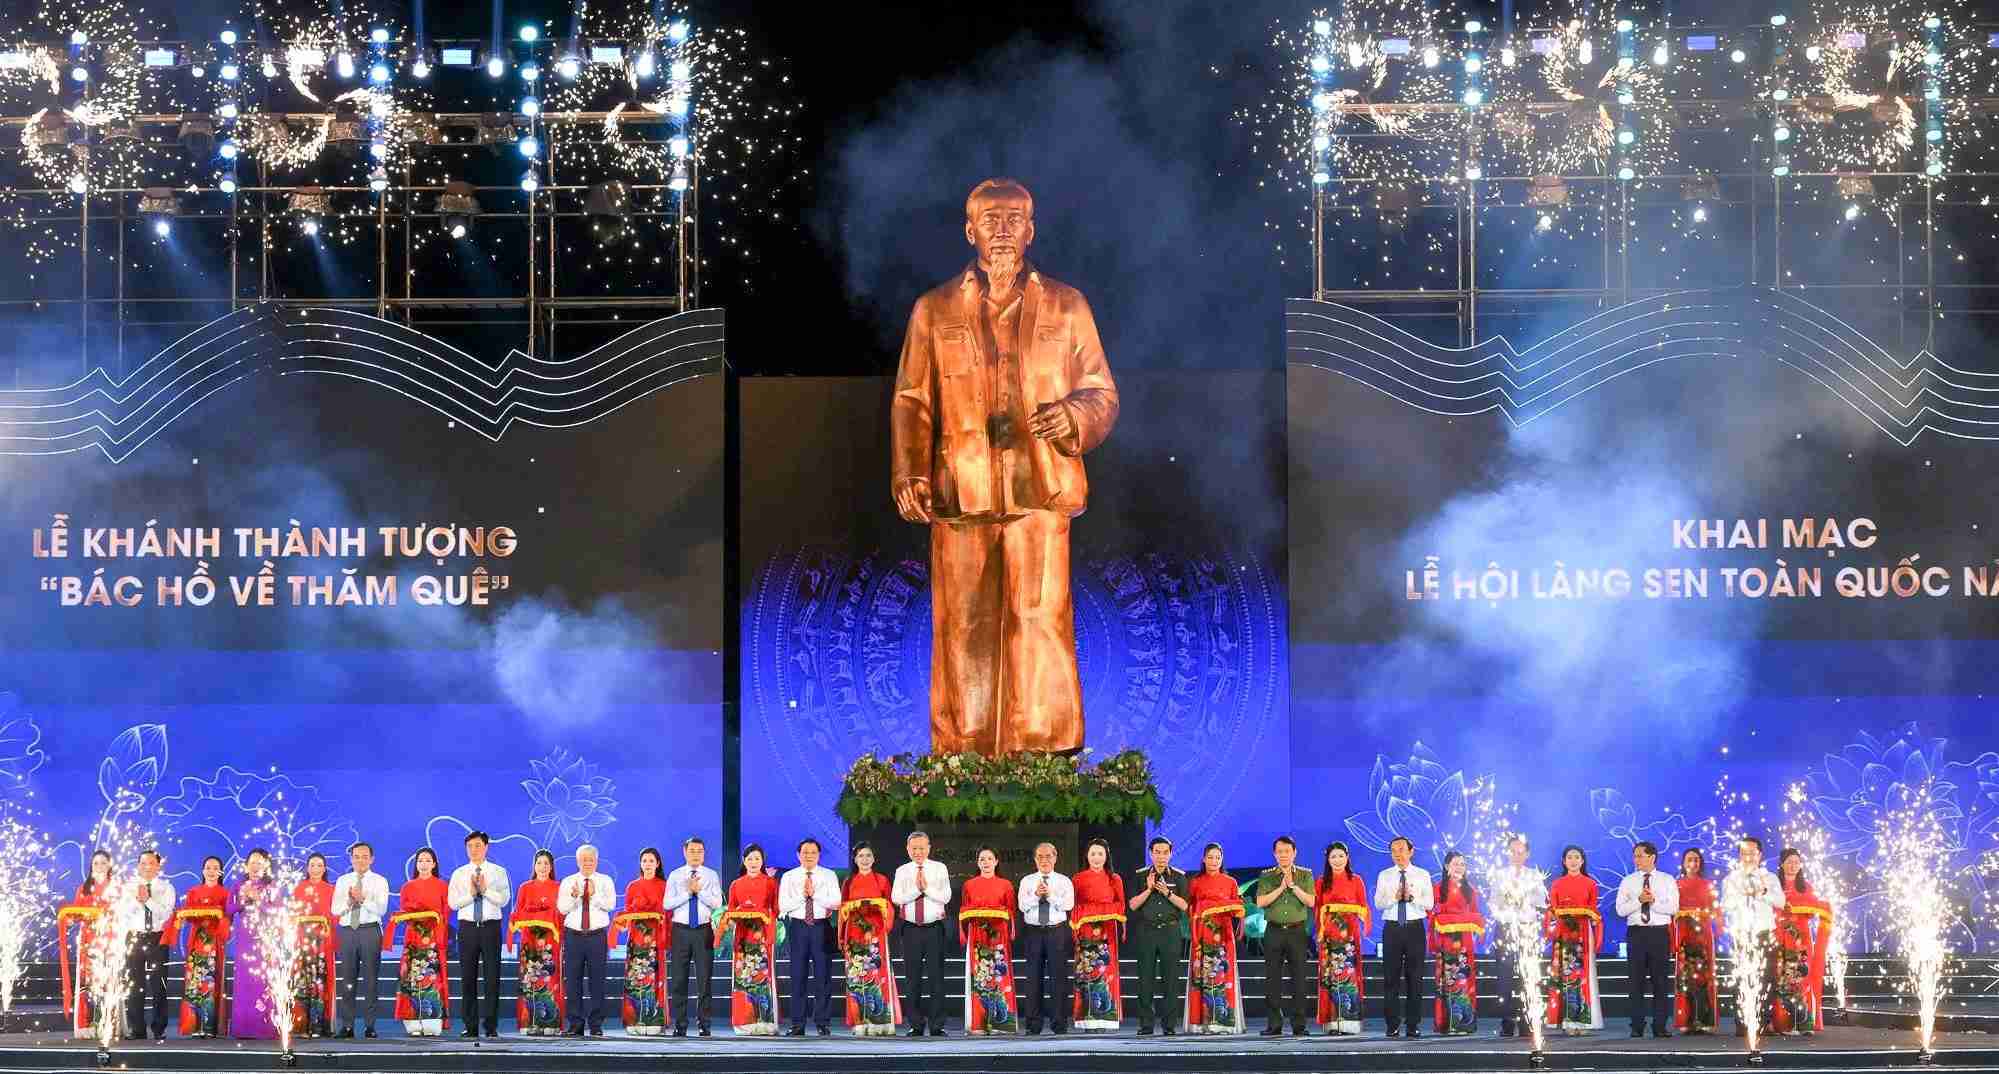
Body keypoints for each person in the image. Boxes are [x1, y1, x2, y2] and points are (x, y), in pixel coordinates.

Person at [890, 177, 1121, 757]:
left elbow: (1101, 393)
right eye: (990, 220)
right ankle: (962, 754)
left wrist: (1072, 417)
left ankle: (1044, 752)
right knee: (962, 626)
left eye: (1013, 219)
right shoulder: (934, 309)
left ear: (1030, 230)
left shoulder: (1068, 306)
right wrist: (909, 471)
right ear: (970, 231)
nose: (1001, 231)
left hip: (1039, 490)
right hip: (961, 493)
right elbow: (912, 399)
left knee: (1040, 619)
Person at [1719, 836, 1785, 1039]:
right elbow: (1725, 905)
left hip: (1764, 935)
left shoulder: (1770, 878)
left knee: (1767, 979)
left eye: (1752, 852)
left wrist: (1762, 892)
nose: (1748, 856)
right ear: (1739, 855)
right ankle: (1742, 1024)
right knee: (1741, 979)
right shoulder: (1731, 878)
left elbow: (1781, 902)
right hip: (1742, 935)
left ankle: (1763, 1023)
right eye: (1744, 852)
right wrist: (1742, 894)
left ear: (1760, 855)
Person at [446, 831, 510, 1039]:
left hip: (491, 927)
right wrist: (472, 895)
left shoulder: (499, 871)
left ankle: (491, 1026)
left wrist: (485, 890)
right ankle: (470, 1026)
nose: (473, 850)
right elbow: (453, 903)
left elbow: (504, 899)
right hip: (468, 928)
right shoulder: (459, 873)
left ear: (486, 847)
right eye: (470, 846)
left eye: (477, 846)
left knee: (492, 978)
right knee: (468, 979)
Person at [1616, 840, 1680, 1039]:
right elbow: (1620, 910)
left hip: (1659, 933)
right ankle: (1637, 1025)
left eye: (1640, 855)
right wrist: (1638, 901)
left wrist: (1653, 902)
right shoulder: (1628, 881)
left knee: (1660, 982)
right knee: (1635, 982)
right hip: (1636, 934)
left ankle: (1659, 1025)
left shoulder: (1667, 879)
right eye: (1635, 855)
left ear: (1652, 857)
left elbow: (1673, 908)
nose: (1636, 859)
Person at [384, 847, 451, 1037]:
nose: (424, 864)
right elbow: (405, 911)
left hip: (433, 938)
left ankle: (432, 1019)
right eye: (420, 860)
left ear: (434, 864)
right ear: (416, 864)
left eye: (428, 860)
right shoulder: (407, 887)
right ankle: (412, 1020)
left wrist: (437, 932)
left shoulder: (442, 886)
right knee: (412, 977)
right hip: (413, 937)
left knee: (432, 977)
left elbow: (445, 914)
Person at [890, 830, 951, 1036]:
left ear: (929, 848)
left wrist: (927, 890)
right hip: (910, 930)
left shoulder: (939, 868)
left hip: (934, 928)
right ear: (908, 849)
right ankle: (915, 1024)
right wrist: (918, 891)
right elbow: (897, 898)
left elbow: (946, 896)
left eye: (922, 848)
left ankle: (937, 1025)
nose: (918, 852)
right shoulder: (902, 870)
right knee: (912, 978)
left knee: (936, 978)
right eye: (914, 848)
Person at [779, 837, 841, 1037]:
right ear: (798, 855)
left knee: (823, 976)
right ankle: (797, 1024)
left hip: (821, 927)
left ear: (819, 855)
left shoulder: (829, 875)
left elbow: (836, 902)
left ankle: (822, 1022)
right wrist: (803, 896)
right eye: (805, 852)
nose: (809, 856)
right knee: (798, 977)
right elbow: (784, 906)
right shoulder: (789, 876)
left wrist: (815, 895)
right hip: (798, 927)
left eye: (813, 852)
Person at [1127, 836, 1188, 1036]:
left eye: (1165, 852)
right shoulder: (1140, 875)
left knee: (1170, 980)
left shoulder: (1179, 877)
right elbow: (1133, 905)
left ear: (1171, 853)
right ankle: (1146, 1025)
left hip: (1170, 931)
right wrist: (1149, 889)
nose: (1161, 856)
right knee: (1145, 979)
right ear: (1151, 853)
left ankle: (1169, 1025)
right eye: (1157, 852)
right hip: (1147, 931)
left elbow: (1186, 906)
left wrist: (1167, 893)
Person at [1374, 835, 1434, 1038]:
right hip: (1392, 929)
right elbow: (1378, 903)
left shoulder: (1422, 874)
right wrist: (1395, 897)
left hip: (1415, 929)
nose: (1397, 854)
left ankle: (1413, 1025)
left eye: (1401, 849)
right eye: (1393, 850)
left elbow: (1430, 903)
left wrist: (1411, 898)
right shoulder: (1385, 875)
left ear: (1411, 851)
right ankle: (1392, 1025)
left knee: (1414, 979)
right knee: (1390, 979)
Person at [839, 842, 901, 1036]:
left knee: (877, 972)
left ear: (873, 859)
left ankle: (881, 1021)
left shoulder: (882, 880)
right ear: (855, 859)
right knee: (856, 975)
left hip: (876, 933)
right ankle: (859, 1020)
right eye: (860, 856)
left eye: (868, 856)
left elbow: (890, 906)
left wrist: (882, 907)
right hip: (854, 933)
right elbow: (842, 909)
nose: (864, 859)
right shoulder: (849, 882)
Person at [1254, 835, 1313, 1037]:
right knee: (1273, 980)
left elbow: (1311, 902)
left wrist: (1293, 887)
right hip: (1274, 931)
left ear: (1294, 853)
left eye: (1287, 851)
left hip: (1297, 931)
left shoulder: (1305, 875)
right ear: (1274, 854)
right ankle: (1274, 1024)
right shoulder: (1267, 875)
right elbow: (1261, 902)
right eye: (1279, 852)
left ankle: (1299, 1025)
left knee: (1299, 979)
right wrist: (1281, 887)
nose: (1283, 855)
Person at [717, 843, 780, 1035]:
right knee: (743, 978)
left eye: (757, 859)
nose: (753, 862)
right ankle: (744, 1022)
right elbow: (730, 912)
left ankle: (766, 1021)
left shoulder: (770, 883)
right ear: (744, 861)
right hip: (743, 937)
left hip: (761, 936)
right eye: (750, 859)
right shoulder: (736, 884)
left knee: (762, 977)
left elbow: (776, 909)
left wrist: (763, 915)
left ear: (762, 861)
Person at [664, 836, 723, 1036]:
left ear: (704, 853)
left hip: (703, 930)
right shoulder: (675, 875)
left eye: (700, 851)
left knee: (704, 980)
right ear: (685, 852)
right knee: (679, 980)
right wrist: (688, 893)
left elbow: (716, 903)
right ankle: (680, 1025)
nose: (696, 854)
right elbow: (667, 904)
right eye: (692, 851)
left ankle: (704, 1024)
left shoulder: (711, 875)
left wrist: (700, 892)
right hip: (680, 930)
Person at [1489, 834, 1546, 1039]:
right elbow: (1493, 903)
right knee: (1504, 978)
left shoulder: (1534, 875)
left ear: (1527, 854)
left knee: (1526, 976)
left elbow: (1541, 901)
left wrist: (1524, 896)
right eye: (1513, 851)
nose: (1516, 855)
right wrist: (1507, 900)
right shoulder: (1499, 875)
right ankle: (1506, 1021)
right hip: (1505, 928)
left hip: (1527, 928)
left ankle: (1526, 1022)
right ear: (1507, 853)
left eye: (1520, 852)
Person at [1770, 848, 1831, 1037]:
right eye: (1789, 861)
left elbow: (1811, 911)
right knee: (1783, 979)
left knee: (1801, 978)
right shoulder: (1774, 885)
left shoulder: (1806, 887)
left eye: (1796, 861)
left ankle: (1803, 1022)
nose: (1793, 865)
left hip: (1801, 940)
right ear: (1781, 864)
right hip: (1780, 937)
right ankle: (1784, 1023)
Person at [331, 841, 390, 1039]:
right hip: (348, 931)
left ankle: (370, 1026)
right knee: (348, 980)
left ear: (372, 859)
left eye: (365, 856)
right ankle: (347, 1026)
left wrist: (363, 899)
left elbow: (381, 909)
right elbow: (335, 910)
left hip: (370, 931)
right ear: (351, 858)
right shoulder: (342, 880)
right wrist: (349, 902)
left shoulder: (380, 881)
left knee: (371, 980)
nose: (360, 860)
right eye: (356, 856)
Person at [1185, 843, 1245, 1035]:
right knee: (1202, 975)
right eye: (1210, 857)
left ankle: (1223, 1022)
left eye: (1217, 857)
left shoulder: (1231, 882)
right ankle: (1202, 1023)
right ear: (1203, 859)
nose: (1214, 861)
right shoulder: (1195, 882)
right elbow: (1191, 909)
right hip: (1202, 935)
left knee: (1222, 976)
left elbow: (1238, 908)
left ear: (1222, 859)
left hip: (1224, 935)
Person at [959, 847, 1019, 1035]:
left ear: (996, 861)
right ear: (977, 863)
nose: (986, 862)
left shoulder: (1006, 885)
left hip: (998, 936)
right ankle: (979, 1022)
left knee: (999, 976)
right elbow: (964, 909)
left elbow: (1011, 911)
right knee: (979, 977)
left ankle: (1002, 1024)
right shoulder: (969, 885)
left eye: (989, 858)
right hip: (977, 936)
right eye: (982, 859)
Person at [1017, 841, 1075, 1035]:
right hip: (1033, 932)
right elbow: (1022, 906)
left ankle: (1059, 1024)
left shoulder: (1064, 881)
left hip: (1056, 932)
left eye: (1048, 856)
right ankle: (1033, 1025)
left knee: (1058, 979)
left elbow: (1068, 905)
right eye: (1040, 857)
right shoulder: (1027, 881)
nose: (1044, 860)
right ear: (1035, 859)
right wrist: (1035, 895)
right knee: (1033, 979)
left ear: (1055, 857)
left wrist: (1049, 896)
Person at [557, 844, 616, 1037]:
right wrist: (576, 897)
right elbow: (562, 909)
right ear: (578, 861)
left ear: (596, 861)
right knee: (573, 981)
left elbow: (610, 905)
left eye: (591, 859)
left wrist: (593, 895)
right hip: (574, 936)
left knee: (597, 981)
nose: (587, 863)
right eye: (584, 860)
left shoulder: (605, 881)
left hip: (597, 936)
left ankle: (596, 1024)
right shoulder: (568, 882)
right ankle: (575, 1024)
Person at [1546, 845, 1604, 1035]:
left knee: (1582, 975)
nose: (1573, 860)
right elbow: (1551, 910)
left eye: (1576, 857)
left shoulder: (1590, 883)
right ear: (1564, 861)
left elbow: (1594, 910)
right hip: (1563, 932)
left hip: (1583, 932)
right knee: (1566, 975)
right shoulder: (1556, 884)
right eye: (1569, 857)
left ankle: (1583, 1021)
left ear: (1582, 861)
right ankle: (1568, 1021)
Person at [1070, 838, 1127, 1032]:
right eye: (1093, 853)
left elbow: (1121, 905)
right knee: (1086, 970)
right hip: (1085, 931)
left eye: (1100, 854)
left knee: (1105, 970)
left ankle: (1106, 1018)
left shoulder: (1115, 879)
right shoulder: (1077, 879)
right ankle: (1086, 1019)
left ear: (1106, 856)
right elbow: (1074, 907)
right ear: (1087, 856)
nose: (1096, 858)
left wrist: (1103, 910)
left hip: (1107, 932)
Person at [227, 848, 285, 1039]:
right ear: (246, 864)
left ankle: (266, 1028)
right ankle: (243, 1027)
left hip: (265, 939)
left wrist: (259, 899)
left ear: (266, 866)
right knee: (245, 982)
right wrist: (245, 900)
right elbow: (229, 908)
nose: (255, 865)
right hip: (244, 938)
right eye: (252, 861)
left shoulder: (271, 886)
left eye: (259, 862)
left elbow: (277, 910)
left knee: (263, 980)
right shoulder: (238, 885)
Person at [171, 855, 231, 1038]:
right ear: (203, 870)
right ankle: (194, 1025)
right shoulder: (194, 891)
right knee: (194, 983)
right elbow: (187, 914)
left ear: (220, 872)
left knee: (210, 984)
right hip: (197, 942)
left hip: (213, 943)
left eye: (215, 868)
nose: (211, 871)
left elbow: (228, 920)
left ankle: (210, 1026)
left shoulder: (225, 893)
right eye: (208, 867)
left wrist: (219, 919)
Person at [57, 849, 115, 1039]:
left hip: (108, 940)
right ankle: (86, 1024)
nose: (99, 866)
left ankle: (105, 1023)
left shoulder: (116, 888)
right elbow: (77, 912)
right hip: (88, 942)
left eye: (103, 863)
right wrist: (69, 917)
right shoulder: (83, 888)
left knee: (106, 981)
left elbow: (122, 913)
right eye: (96, 863)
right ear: (91, 866)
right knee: (88, 982)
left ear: (109, 866)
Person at [508, 850, 566, 1036]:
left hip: (550, 942)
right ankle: (529, 1022)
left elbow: (562, 914)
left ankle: (551, 1023)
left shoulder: (559, 887)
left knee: (550, 979)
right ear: (534, 866)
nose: (543, 867)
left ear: (551, 867)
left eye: (546, 864)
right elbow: (518, 913)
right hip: (529, 941)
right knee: (530, 980)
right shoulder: (525, 887)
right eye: (539, 863)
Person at [613, 848, 670, 1035]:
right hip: (636, 939)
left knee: (654, 978)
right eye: (644, 860)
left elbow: (668, 914)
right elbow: (628, 913)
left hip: (655, 938)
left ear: (658, 864)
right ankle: (633, 1019)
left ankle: (654, 1020)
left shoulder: (664, 885)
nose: (647, 864)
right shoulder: (632, 886)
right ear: (640, 863)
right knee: (635, 978)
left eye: (651, 861)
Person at [1314, 841, 1368, 1036]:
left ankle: (1349, 1022)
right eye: (1333, 857)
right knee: (1329, 977)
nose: (1337, 860)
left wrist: (1358, 916)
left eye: (1341, 856)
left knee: (1348, 976)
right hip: (1329, 936)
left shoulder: (1356, 880)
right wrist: (1319, 931)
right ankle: (1331, 1022)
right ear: (1328, 860)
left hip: (1349, 937)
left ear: (1347, 858)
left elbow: (1364, 907)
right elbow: (1317, 909)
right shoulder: (1321, 882)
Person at [121, 849, 176, 1040]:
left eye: (151, 863)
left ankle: (159, 1028)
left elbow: (166, 914)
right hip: (134, 937)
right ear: (138, 866)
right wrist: (138, 901)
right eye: (143, 863)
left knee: (158, 984)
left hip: (157, 937)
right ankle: (136, 1028)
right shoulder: (128, 887)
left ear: (158, 866)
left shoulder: (166, 887)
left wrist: (148, 900)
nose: (147, 867)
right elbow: (124, 912)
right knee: (134, 984)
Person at [1429, 850, 1485, 1037]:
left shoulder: (1471, 890)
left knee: (1463, 978)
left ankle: (1464, 1023)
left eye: (1462, 864)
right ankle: (1445, 1022)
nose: (1459, 867)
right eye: (1455, 863)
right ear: (1446, 867)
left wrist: (1466, 920)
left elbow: (1477, 914)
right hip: (1445, 942)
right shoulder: (1437, 889)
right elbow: (1433, 915)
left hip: (1464, 942)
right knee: (1447, 981)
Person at [1673, 848, 1720, 1035]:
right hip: (1684, 933)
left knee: (1703, 978)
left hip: (1703, 935)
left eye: (1696, 860)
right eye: (1689, 859)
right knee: (1684, 978)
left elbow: (1716, 911)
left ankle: (1703, 1020)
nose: (1693, 863)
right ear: (1683, 863)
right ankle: (1686, 1019)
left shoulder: (1708, 884)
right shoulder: (1675, 885)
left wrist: (1717, 929)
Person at [291, 853, 337, 1039]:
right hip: (303, 940)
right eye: (312, 865)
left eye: (320, 865)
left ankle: (319, 1025)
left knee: (320, 981)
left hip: (323, 941)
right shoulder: (299, 888)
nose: (316, 869)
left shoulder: (331, 889)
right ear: (307, 868)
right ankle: (302, 1025)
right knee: (302, 982)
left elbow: (336, 916)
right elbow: (292, 912)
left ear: (324, 869)